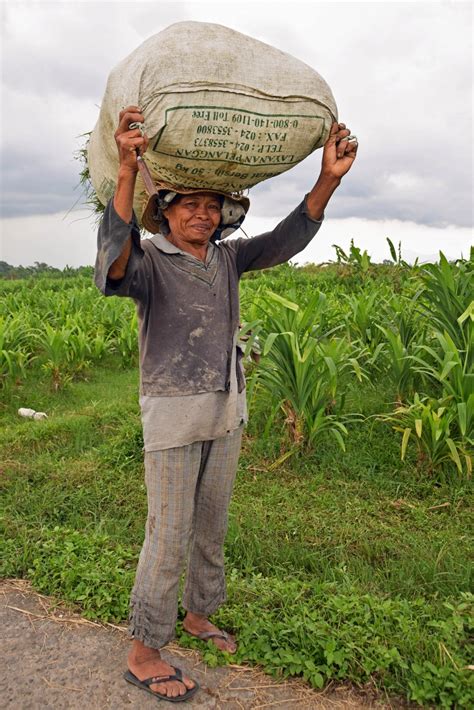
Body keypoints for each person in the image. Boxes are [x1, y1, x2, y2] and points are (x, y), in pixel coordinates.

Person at [94, 105, 358, 702]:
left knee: (211, 527)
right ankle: (144, 649)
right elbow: (111, 258)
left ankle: (198, 614)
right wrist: (128, 172)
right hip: (172, 418)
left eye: (213, 206)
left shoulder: (228, 259)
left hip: (226, 412)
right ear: (166, 212)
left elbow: (285, 240)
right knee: (167, 534)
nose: (203, 214)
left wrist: (328, 181)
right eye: (190, 204)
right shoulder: (147, 263)